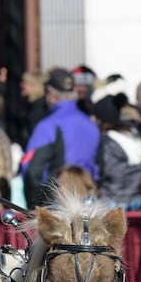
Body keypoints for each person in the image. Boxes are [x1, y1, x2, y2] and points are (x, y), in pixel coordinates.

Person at [21, 68, 100, 205]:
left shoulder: (48, 125)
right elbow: (100, 167)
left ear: (51, 94)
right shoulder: (91, 124)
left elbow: (32, 170)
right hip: (87, 201)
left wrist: (36, 205)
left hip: (57, 204)